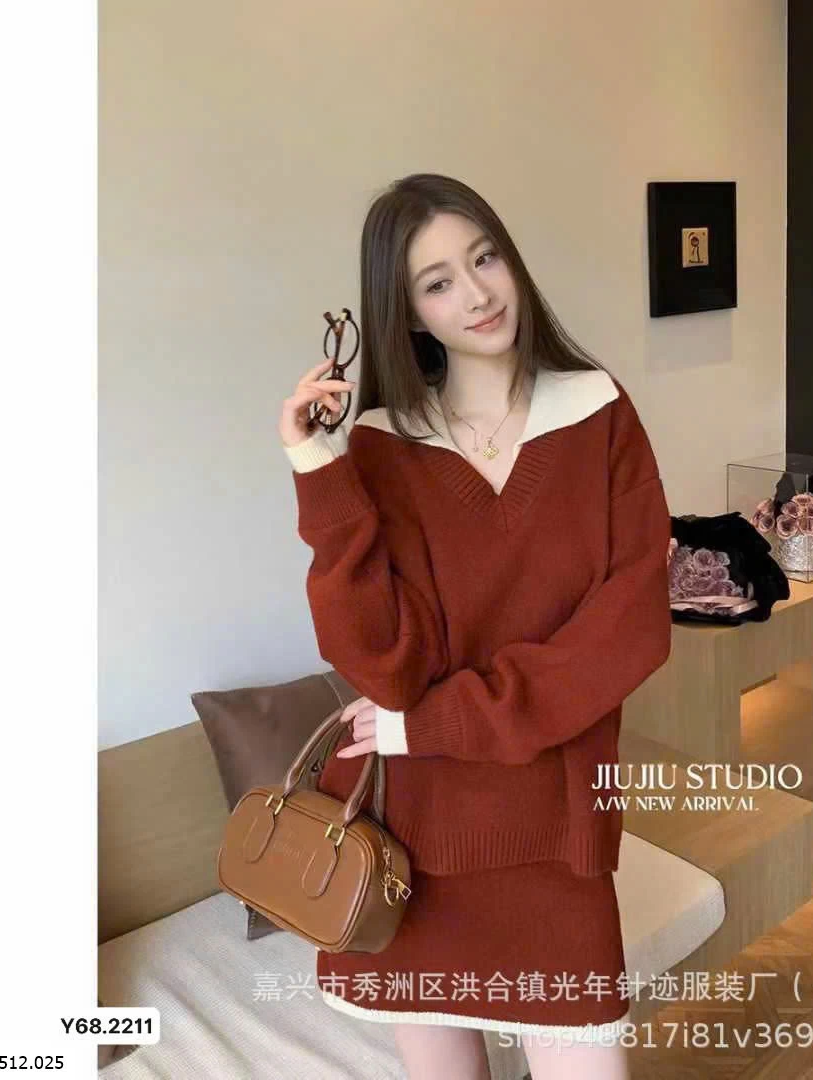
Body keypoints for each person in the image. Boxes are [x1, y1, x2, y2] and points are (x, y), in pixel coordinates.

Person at [277, 173, 671, 1080]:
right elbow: (380, 660)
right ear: (409, 312)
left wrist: (441, 721)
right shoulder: (382, 445)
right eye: (438, 282)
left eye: (484, 258)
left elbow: (629, 630)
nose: (477, 294)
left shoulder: (597, 411)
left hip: (557, 829)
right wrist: (317, 465)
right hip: (417, 845)